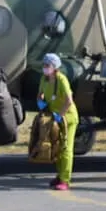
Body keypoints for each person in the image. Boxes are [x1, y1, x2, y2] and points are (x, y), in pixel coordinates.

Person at [37, 53, 79, 191]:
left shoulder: (62, 79)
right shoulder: (44, 78)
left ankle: (65, 180)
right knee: (56, 147)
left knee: (66, 148)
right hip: (55, 116)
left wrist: (60, 116)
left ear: (55, 67)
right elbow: (40, 94)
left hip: (68, 117)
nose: (44, 68)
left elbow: (69, 101)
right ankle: (59, 175)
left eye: (47, 65)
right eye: (44, 65)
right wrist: (41, 103)